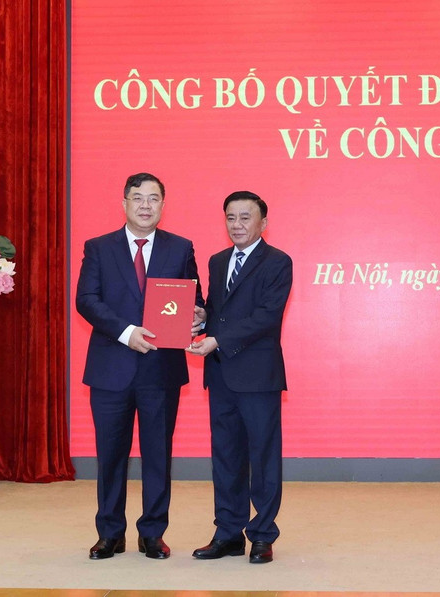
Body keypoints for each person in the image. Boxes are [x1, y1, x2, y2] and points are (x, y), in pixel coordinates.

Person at [75, 172, 203, 560]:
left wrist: (198, 316)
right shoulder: (98, 247)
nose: (146, 205)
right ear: (124, 204)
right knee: (110, 455)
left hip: (160, 371)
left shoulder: (180, 248)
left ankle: (152, 532)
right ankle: (110, 532)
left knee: (157, 454)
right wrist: (125, 331)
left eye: (153, 198)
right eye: (138, 198)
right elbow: (87, 299)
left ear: (163, 205)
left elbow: (195, 298)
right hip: (111, 367)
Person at [186, 190, 292, 564]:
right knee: (226, 458)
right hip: (220, 374)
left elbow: (266, 317)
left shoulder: (278, 262)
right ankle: (228, 533)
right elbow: (220, 310)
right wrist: (201, 320)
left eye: (246, 217)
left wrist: (216, 339)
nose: (238, 225)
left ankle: (262, 535)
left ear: (264, 221)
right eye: (231, 217)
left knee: (262, 458)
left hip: (258, 375)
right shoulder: (217, 261)